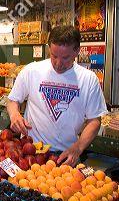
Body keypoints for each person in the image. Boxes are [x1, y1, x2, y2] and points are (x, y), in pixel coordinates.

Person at [7, 26, 107, 166]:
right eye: (53, 56)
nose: (58, 63)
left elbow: (94, 121)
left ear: (77, 51)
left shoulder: (88, 79)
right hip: (31, 153)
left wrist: (78, 148)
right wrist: (14, 115)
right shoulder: (32, 71)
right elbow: (13, 100)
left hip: (66, 155)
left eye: (65, 58)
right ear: (49, 48)